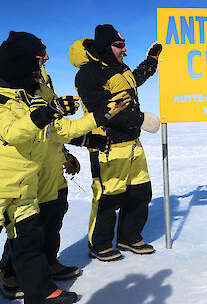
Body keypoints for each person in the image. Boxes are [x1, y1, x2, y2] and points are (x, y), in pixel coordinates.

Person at [0, 31, 129, 303]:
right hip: (13, 176)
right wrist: (51, 113)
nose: (46, 58)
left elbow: (56, 128)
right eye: (40, 54)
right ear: (22, 59)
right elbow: (15, 131)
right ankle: (11, 276)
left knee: (40, 226)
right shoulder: (10, 91)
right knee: (26, 232)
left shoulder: (33, 86)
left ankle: (41, 283)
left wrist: (98, 119)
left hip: (37, 168)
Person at [70, 24, 162, 261]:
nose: (123, 50)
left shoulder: (120, 68)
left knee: (140, 192)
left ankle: (129, 237)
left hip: (132, 144)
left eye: (123, 45)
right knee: (108, 197)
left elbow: (134, 81)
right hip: (107, 146)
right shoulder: (89, 73)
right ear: (105, 46)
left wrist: (151, 61)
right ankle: (99, 244)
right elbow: (103, 111)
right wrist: (141, 119)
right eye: (118, 45)